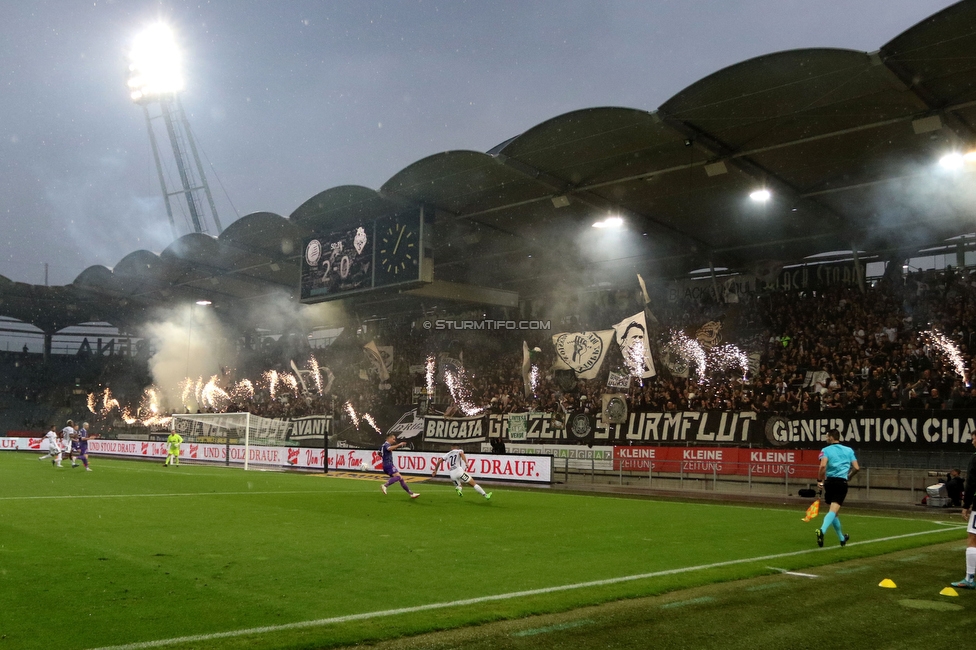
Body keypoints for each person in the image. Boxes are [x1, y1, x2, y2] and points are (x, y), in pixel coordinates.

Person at [816, 428, 860, 548]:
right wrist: (849, 476)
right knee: (833, 511)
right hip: (841, 483)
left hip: (829, 482)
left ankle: (841, 538)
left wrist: (819, 481)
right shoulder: (848, 450)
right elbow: (856, 467)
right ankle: (822, 530)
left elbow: (822, 467)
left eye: (826, 436)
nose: (826, 438)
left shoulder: (825, 450)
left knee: (834, 512)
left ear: (831, 437)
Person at [950, 432, 976, 589]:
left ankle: (969, 578)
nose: (972, 442)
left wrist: (966, 506)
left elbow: (971, 483)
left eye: (974, 439)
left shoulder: (975, 458)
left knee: (972, 540)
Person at [379, 434, 419, 498]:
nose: (394, 441)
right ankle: (385, 485)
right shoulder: (386, 445)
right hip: (388, 464)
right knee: (398, 477)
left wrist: (384, 457)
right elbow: (389, 449)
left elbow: (379, 453)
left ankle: (411, 494)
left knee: (401, 478)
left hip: (386, 464)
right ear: (389, 439)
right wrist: (399, 445)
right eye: (393, 439)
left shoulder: (382, 445)